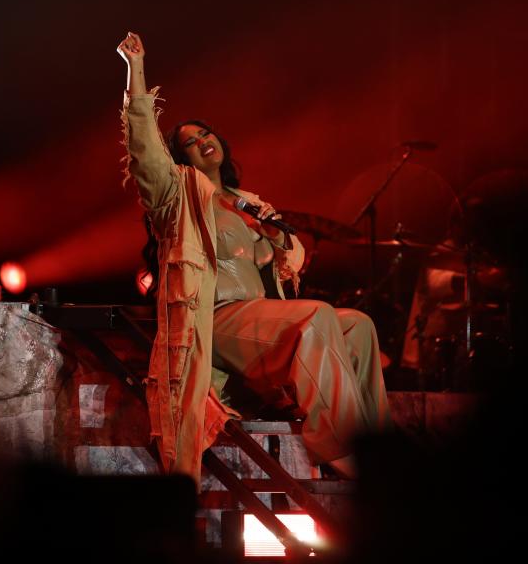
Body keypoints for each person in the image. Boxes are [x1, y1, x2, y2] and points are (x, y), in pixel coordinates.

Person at [117, 32, 391, 483]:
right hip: (218, 319)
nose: (203, 140)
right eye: (190, 141)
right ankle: (343, 450)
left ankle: (376, 447)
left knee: (358, 326)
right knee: (316, 317)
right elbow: (144, 150)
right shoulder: (178, 196)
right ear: (180, 156)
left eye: (206, 133)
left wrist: (273, 234)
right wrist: (136, 71)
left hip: (257, 318)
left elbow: (285, 268)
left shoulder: (244, 201)